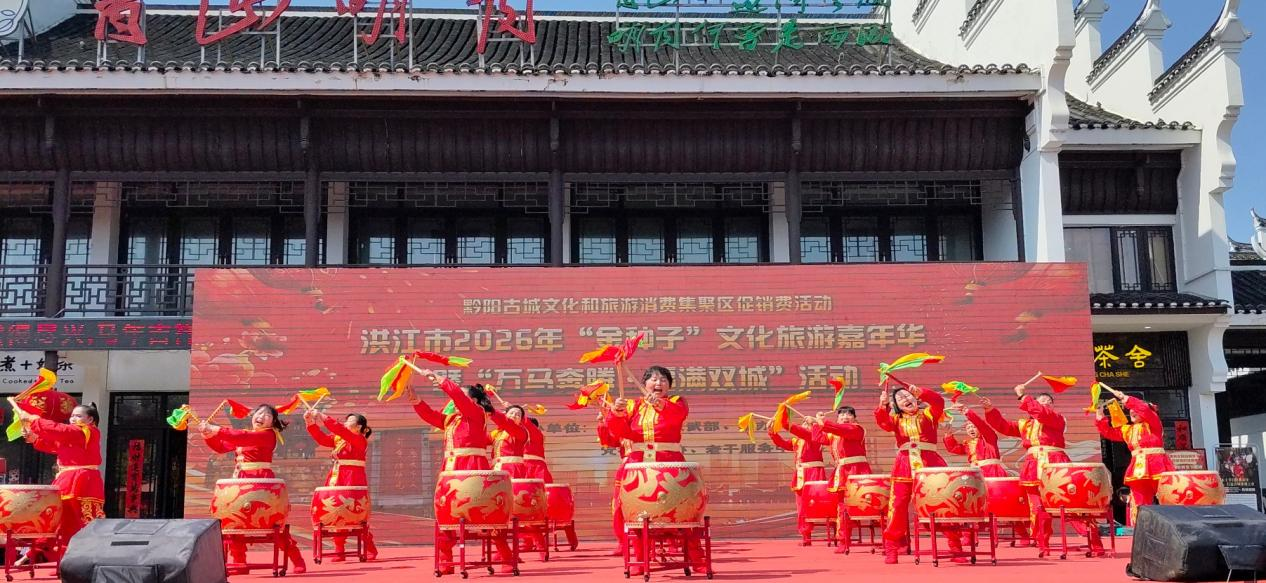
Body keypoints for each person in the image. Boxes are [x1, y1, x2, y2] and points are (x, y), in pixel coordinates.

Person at [408, 370, 520, 574]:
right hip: (450, 470)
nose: (456, 398)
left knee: (487, 515)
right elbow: (430, 416)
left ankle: (506, 558)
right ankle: (445, 560)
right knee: (447, 517)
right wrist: (416, 400)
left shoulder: (476, 413)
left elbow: (458, 398)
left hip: (472, 467)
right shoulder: (451, 419)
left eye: (462, 394)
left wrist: (439, 379)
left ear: (474, 400)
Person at [984, 386, 1105, 557]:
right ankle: (1043, 544)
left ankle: (1094, 542)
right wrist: (990, 410)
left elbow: (1041, 413)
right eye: (1042, 402)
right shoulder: (1025, 424)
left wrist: (1023, 396)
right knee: (1038, 508)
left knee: (1073, 505)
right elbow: (1002, 426)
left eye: (1049, 403)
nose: (1045, 405)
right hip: (1033, 465)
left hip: (1056, 464)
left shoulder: (1057, 419)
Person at [199, 404, 307, 574]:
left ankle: (296, 558)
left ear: (272, 422)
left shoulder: (268, 435)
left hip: (261, 481)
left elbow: (241, 436)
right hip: (241, 481)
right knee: (236, 520)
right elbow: (221, 447)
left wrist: (215, 429)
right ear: (253, 415)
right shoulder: (246, 436)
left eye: (267, 415)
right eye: (259, 413)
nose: (262, 416)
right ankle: (239, 562)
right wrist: (208, 435)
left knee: (273, 523)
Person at [874, 382, 967, 564]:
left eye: (907, 395)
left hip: (930, 462)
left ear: (915, 398)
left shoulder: (929, 414)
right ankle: (892, 546)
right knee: (898, 504)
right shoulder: (895, 420)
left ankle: (955, 545)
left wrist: (922, 391)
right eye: (900, 399)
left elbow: (938, 401)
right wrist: (882, 405)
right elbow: (883, 422)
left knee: (942, 503)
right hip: (904, 464)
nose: (905, 399)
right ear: (896, 406)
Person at [15, 402, 105, 559]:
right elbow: (56, 444)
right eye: (71, 416)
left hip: (83, 480)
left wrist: (34, 420)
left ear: (90, 420)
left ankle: (87, 556)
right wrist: (34, 438)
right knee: (61, 518)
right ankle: (61, 556)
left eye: (78, 416)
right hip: (67, 479)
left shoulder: (88, 431)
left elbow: (60, 431)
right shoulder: (74, 435)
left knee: (82, 519)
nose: (72, 419)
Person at [304, 409, 378, 561]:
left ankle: (369, 546)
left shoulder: (359, 439)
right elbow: (322, 439)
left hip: (353, 477)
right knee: (336, 511)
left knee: (354, 511)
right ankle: (339, 549)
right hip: (336, 476)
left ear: (359, 427)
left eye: (349, 421)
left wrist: (324, 417)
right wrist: (310, 423)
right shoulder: (340, 439)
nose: (345, 423)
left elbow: (339, 429)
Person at [1094, 386, 1174, 527]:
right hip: (1138, 468)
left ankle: (1171, 527)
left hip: (1157, 465)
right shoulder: (1128, 430)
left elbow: (1144, 409)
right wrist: (1100, 416)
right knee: (1139, 499)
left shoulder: (1153, 423)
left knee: (1167, 497)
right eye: (1130, 410)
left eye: (1135, 410)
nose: (1132, 412)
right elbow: (1109, 433)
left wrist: (1125, 398)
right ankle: (1142, 528)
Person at [812, 405, 872, 554]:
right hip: (842, 472)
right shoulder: (834, 434)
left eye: (849, 414)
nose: (845, 417)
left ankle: (891, 541)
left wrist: (823, 422)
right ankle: (843, 540)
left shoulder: (857, 429)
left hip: (857, 471)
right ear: (837, 419)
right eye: (842, 415)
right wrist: (815, 423)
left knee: (870, 506)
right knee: (842, 509)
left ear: (855, 418)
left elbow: (842, 430)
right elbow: (817, 437)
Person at [768, 416, 829, 545]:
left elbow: (802, 432)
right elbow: (783, 444)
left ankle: (834, 532)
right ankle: (806, 535)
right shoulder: (797, 441)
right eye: (804, 423)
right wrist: (772, 432)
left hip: (814, 473)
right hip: (801, 474)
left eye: (808, 424)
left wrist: (785, 423)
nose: (805, 426)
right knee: (801, 506)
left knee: (817, 504)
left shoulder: (815, 437)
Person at [526, 416, 577, 550]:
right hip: (524, 470)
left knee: (545, 506)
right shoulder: (518, 436)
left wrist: (518, 414)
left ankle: (540, 540)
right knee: (524, 507)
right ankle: (528, 541)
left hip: (537, 470)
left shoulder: (536, 434)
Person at [597, 404, 632, 557]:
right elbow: (609, 441)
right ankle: (623, 542)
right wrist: (604, 422)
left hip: (650, 463)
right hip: (627, 467)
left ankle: (670, 542)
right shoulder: (622, 426)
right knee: (619, 506)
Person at [943, 403, 1008, 478]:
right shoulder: (969, 444)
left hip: (992, 472)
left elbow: (981, 425)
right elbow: (953, 448)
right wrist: (948, 435)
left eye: (973, 427)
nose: (970, 429)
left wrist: (966, 411)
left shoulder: (989, 438)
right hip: (976, 473)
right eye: (968, 428)